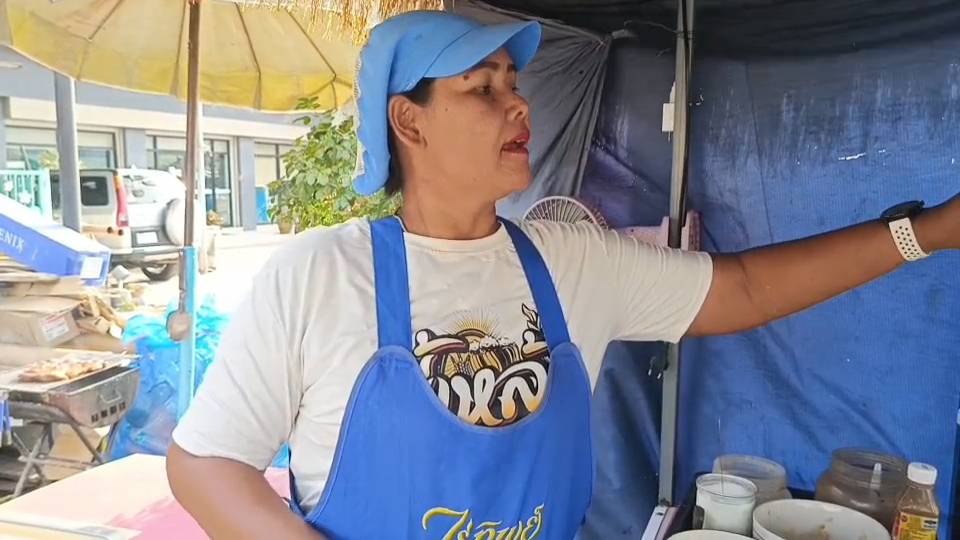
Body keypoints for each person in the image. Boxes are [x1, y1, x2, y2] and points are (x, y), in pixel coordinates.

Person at [166, 10, 959, 540]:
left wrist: (929, 232)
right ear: (408, 121)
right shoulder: (319, 275)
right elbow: (204, 462)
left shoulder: (570, 260)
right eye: (483, 89)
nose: (519, 107)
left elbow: (744, 288)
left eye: (515, 87)